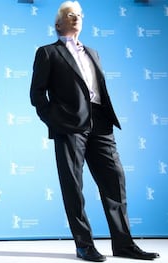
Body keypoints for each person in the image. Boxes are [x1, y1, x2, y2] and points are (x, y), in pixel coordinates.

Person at [30, 1, 160, 262]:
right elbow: (37, 94)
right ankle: (84, 245)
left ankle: (123, 244)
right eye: (69, 15)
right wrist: (55, 122)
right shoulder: (47, 53)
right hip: (69, 125)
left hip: (100, 122)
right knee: (73, 186)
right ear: (58, 24)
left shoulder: (93, 52)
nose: (75, 17)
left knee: (115, 180)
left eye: (79, 14)